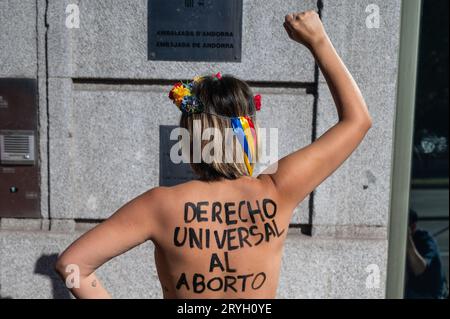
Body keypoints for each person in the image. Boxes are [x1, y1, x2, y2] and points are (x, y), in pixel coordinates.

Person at [55, 10, 372, 299]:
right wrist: (318, 40)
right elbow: (358, 120)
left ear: (191, 138)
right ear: (248, 135)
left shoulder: (160, 206)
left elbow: (72, 265)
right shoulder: (279, 189)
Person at [405, 209, 447, 299]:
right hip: (413, 291)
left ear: (413, 227)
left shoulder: (425, 240)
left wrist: (407, 239)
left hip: (430, 294)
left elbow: (419, 269)